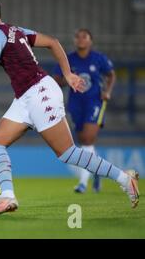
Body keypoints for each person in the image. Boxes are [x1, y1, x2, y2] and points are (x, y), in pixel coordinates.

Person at [0, 0, 139, 216]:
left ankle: (124, 178)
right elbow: (53, 42)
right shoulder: (16, 31)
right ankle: (7, 196)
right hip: (26, 97)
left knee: (68, 153)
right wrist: (67, 74)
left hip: (39, 93)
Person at [53, 28, 116, 193]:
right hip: (75, 104)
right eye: (77, 36)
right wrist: (67, 78)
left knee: (88, 139)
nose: (80, 39)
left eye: (84, 36)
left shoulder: (98, 58)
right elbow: (57, 80)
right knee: (83, 141)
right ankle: (96, 170)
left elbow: (111, 75)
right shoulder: (68, 59)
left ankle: (82, 183)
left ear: (90, 40)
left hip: (94, 102)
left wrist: (107, 92)